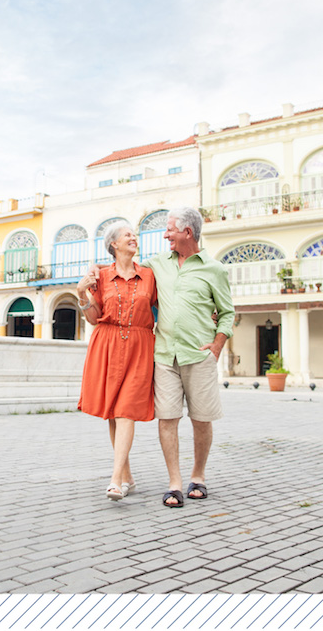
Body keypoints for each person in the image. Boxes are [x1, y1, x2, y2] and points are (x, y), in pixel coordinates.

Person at [141, 207, 234, 507]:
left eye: (169, 229)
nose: (165, 234)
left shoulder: (214, 269)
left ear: (187, 233)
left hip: (199, 355)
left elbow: (228, 312)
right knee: (167, 418)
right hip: (165, 355)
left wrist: (218, 345)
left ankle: (198, 476)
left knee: (201, 420)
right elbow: (130, 274)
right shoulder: (156, 265)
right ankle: (175, 482)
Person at [76, 222, 156, 501]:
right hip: (107, 342)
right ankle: (128, 476)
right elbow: (92, 317)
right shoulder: (100, 277)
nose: (134, 238)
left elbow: (165, 305)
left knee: (126, 409)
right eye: (127, 235)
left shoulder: (149, 275)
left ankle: (114, 479)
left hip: (140, 344)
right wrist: (80, 294)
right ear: (114, 244)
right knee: (113, 411)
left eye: (134, 235)